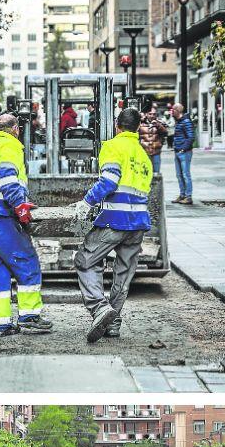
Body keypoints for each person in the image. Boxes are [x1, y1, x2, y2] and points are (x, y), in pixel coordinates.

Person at [72, 107, 152, 343]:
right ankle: (113, 323)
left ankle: (99, 308)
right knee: (123, 275)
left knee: (85, 260)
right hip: (138, 224)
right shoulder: (142, 155)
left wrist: (87, 202)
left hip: (115, 221)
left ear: (117, 125)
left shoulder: (112, 146)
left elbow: (109, 181)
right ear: (138, 127)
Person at [0, 114, 54, 336]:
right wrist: (21, 206)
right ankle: (29, 317)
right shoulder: (10, 146)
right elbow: (8, 179)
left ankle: (1, 324)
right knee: (27, 262)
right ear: (16, 129)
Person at [171, 103, 195, 205]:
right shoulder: (179, 121)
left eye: (173, 110)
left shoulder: (186, 122)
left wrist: (183, 149)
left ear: (177, 111)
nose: (171, 112)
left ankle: (188, 196)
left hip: (184, 152)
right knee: (179, 175)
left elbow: (191, 137)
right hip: (178, 151)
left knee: (185, 175)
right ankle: (182, 195)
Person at [138, 106, 168, 173]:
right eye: (150, 114)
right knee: (145, 173)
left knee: (156, 174)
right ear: (146, 114)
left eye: (154, 114)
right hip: (144, 152)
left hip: (156, 152)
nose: (152, 116)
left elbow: (165, 133)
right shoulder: (140, 123)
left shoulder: (160, 123)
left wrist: (158, 125)